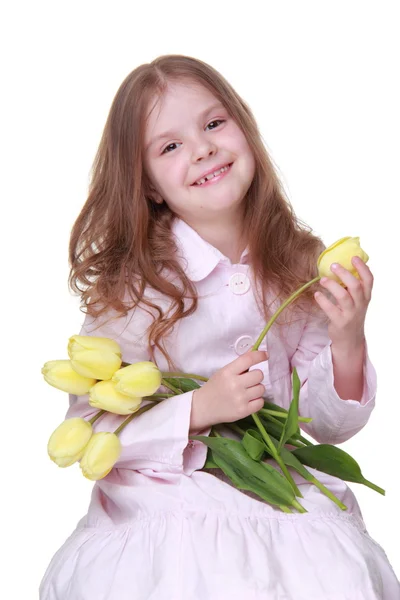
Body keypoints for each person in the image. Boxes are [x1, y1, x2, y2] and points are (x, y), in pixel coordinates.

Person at [39, 54, 399, 600]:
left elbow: (329, 426)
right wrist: (197, 409)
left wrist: (348, 338)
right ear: (149, 185)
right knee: (193, 571)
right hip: (166, 491)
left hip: (275, 484)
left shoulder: (298, 267)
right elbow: (96, 432)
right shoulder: (136, 288)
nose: (203, 148)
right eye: (170, 146)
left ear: (244, 129)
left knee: (332, 569)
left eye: (213, 124)